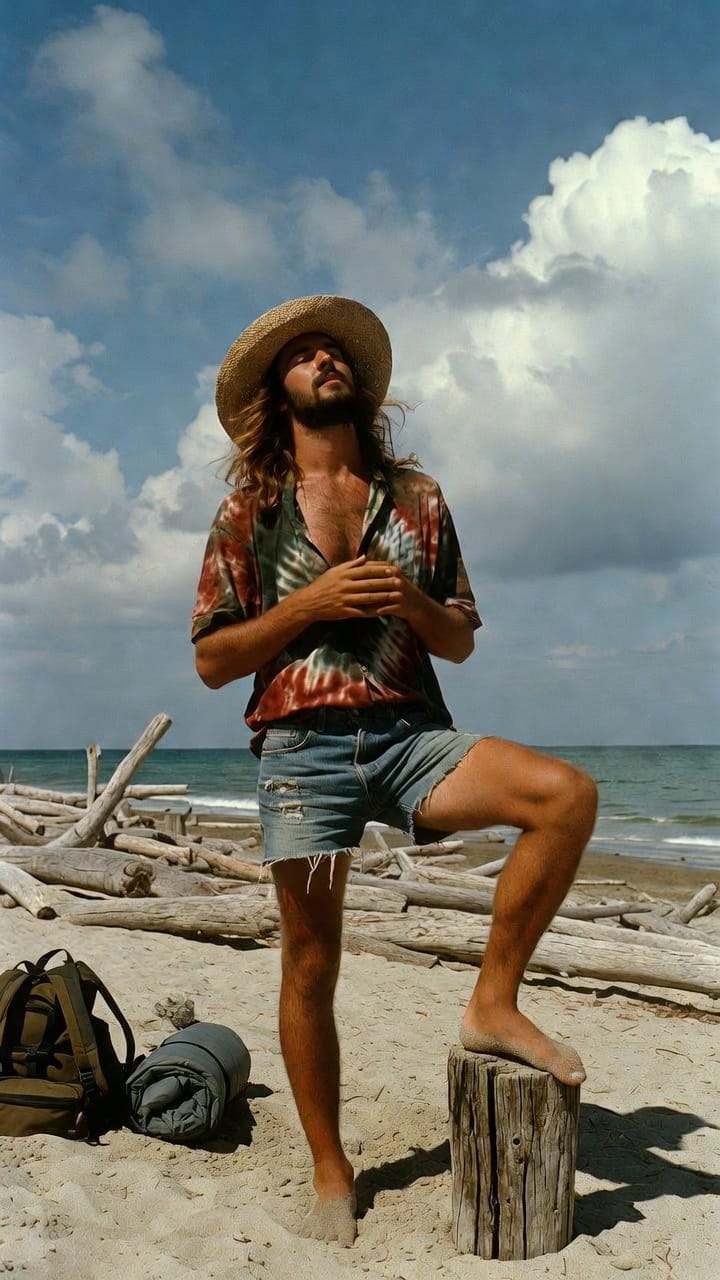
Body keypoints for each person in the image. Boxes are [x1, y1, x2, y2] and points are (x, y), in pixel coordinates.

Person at [191, 295, 598, 1247]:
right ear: (274, 392)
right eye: (304, 354)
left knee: (565, 798)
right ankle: (332, 1172)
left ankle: (492, 1002)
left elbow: (458, 644)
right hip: (302, 746)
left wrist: (410, 599)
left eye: (334, 351)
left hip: (415, 734)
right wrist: (312, 603)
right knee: (310, 960)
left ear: (360, 383)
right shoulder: (248, 509)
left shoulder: (417, 498)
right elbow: (214, 661)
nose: (324, 359)